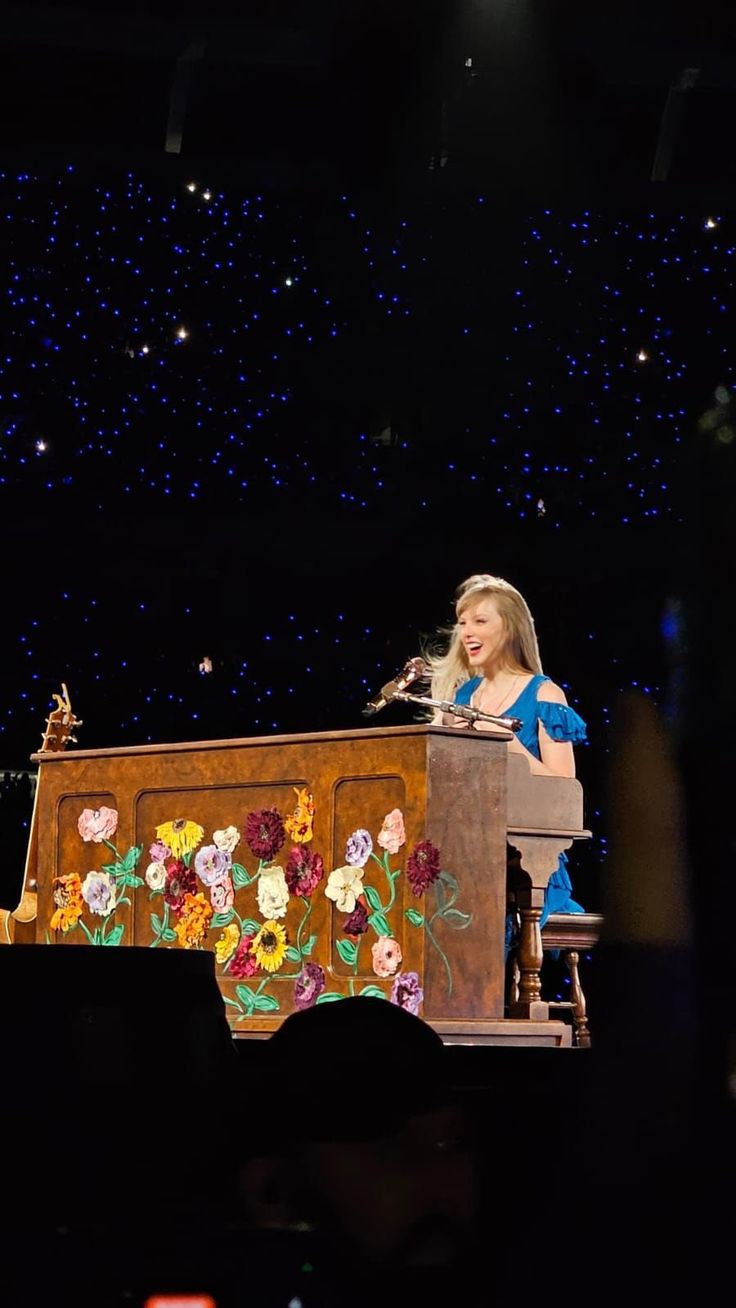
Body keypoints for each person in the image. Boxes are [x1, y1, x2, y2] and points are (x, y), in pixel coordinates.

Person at [427, 572, 587, 925]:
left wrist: (510, 744)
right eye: (462, 622)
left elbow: (564, 788)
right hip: (465, 849)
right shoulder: (460, 699)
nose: (467, 632)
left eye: (480, 621)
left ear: (510, 628)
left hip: (525, 866)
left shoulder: (544, 695)